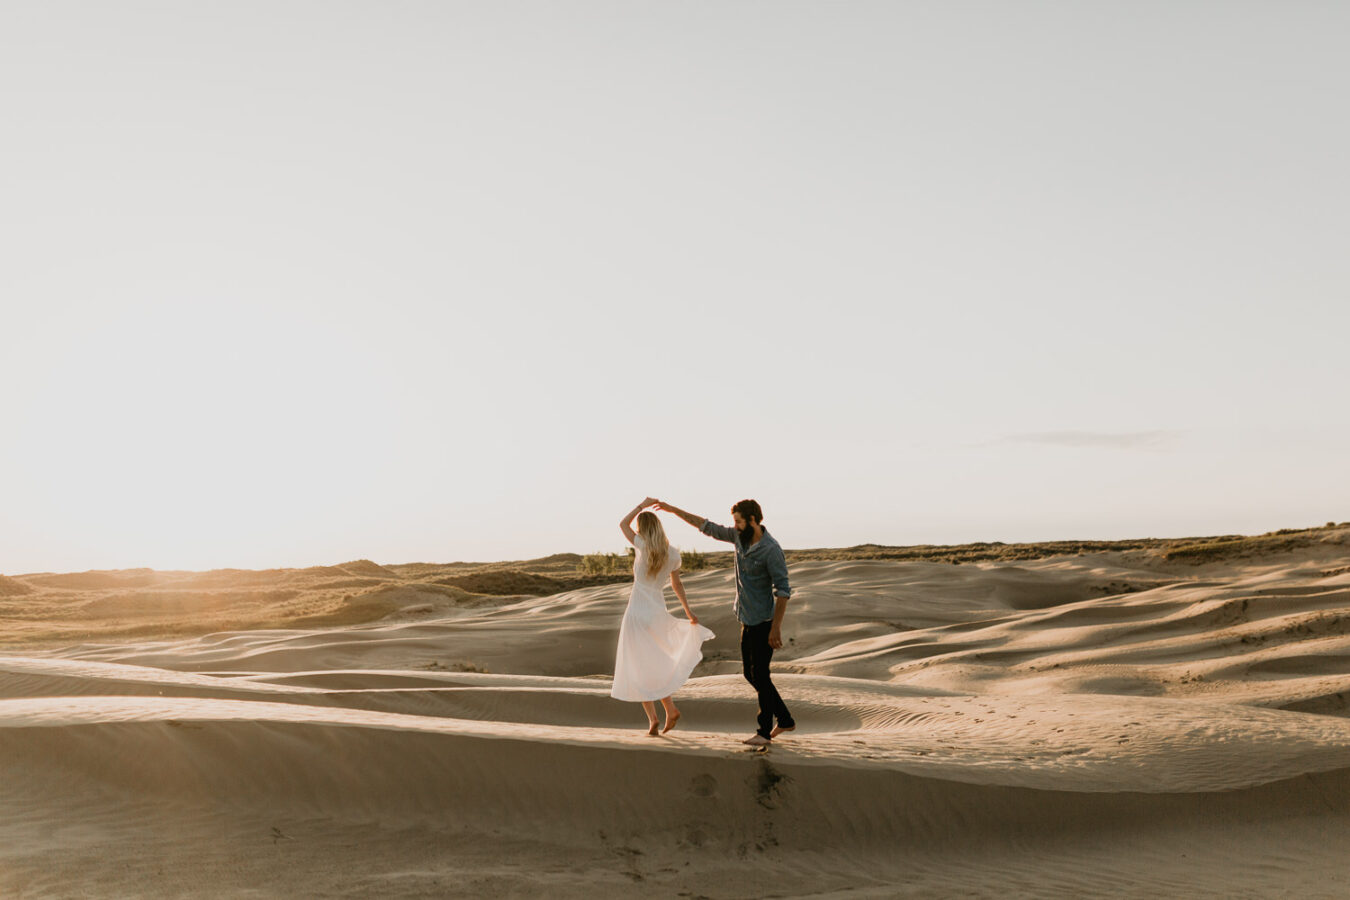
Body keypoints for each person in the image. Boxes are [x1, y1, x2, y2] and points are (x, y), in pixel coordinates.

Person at [653, 498, 794, 747]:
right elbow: (706, 526)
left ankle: (763, 731)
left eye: (739, 522)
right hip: (745, 618)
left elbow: (783, 590)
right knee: (750, 675)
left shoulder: (771, 550)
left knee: (760, 675)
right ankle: (784, 719)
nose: (735, 526)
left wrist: (775, 628)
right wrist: (673, 510)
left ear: (752, 520)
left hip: (764, 622)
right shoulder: (739, 538)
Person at [610, 498, 715, 735]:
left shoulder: (641, 544)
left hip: (637, 612)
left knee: (637, 665)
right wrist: (688, 612)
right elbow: (677, 585)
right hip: (657, 611)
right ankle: (669, 709)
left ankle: (653, 720)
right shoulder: (673, 554)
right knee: (653, 663)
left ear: (643, 529)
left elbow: (622, 524)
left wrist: (641, 505)